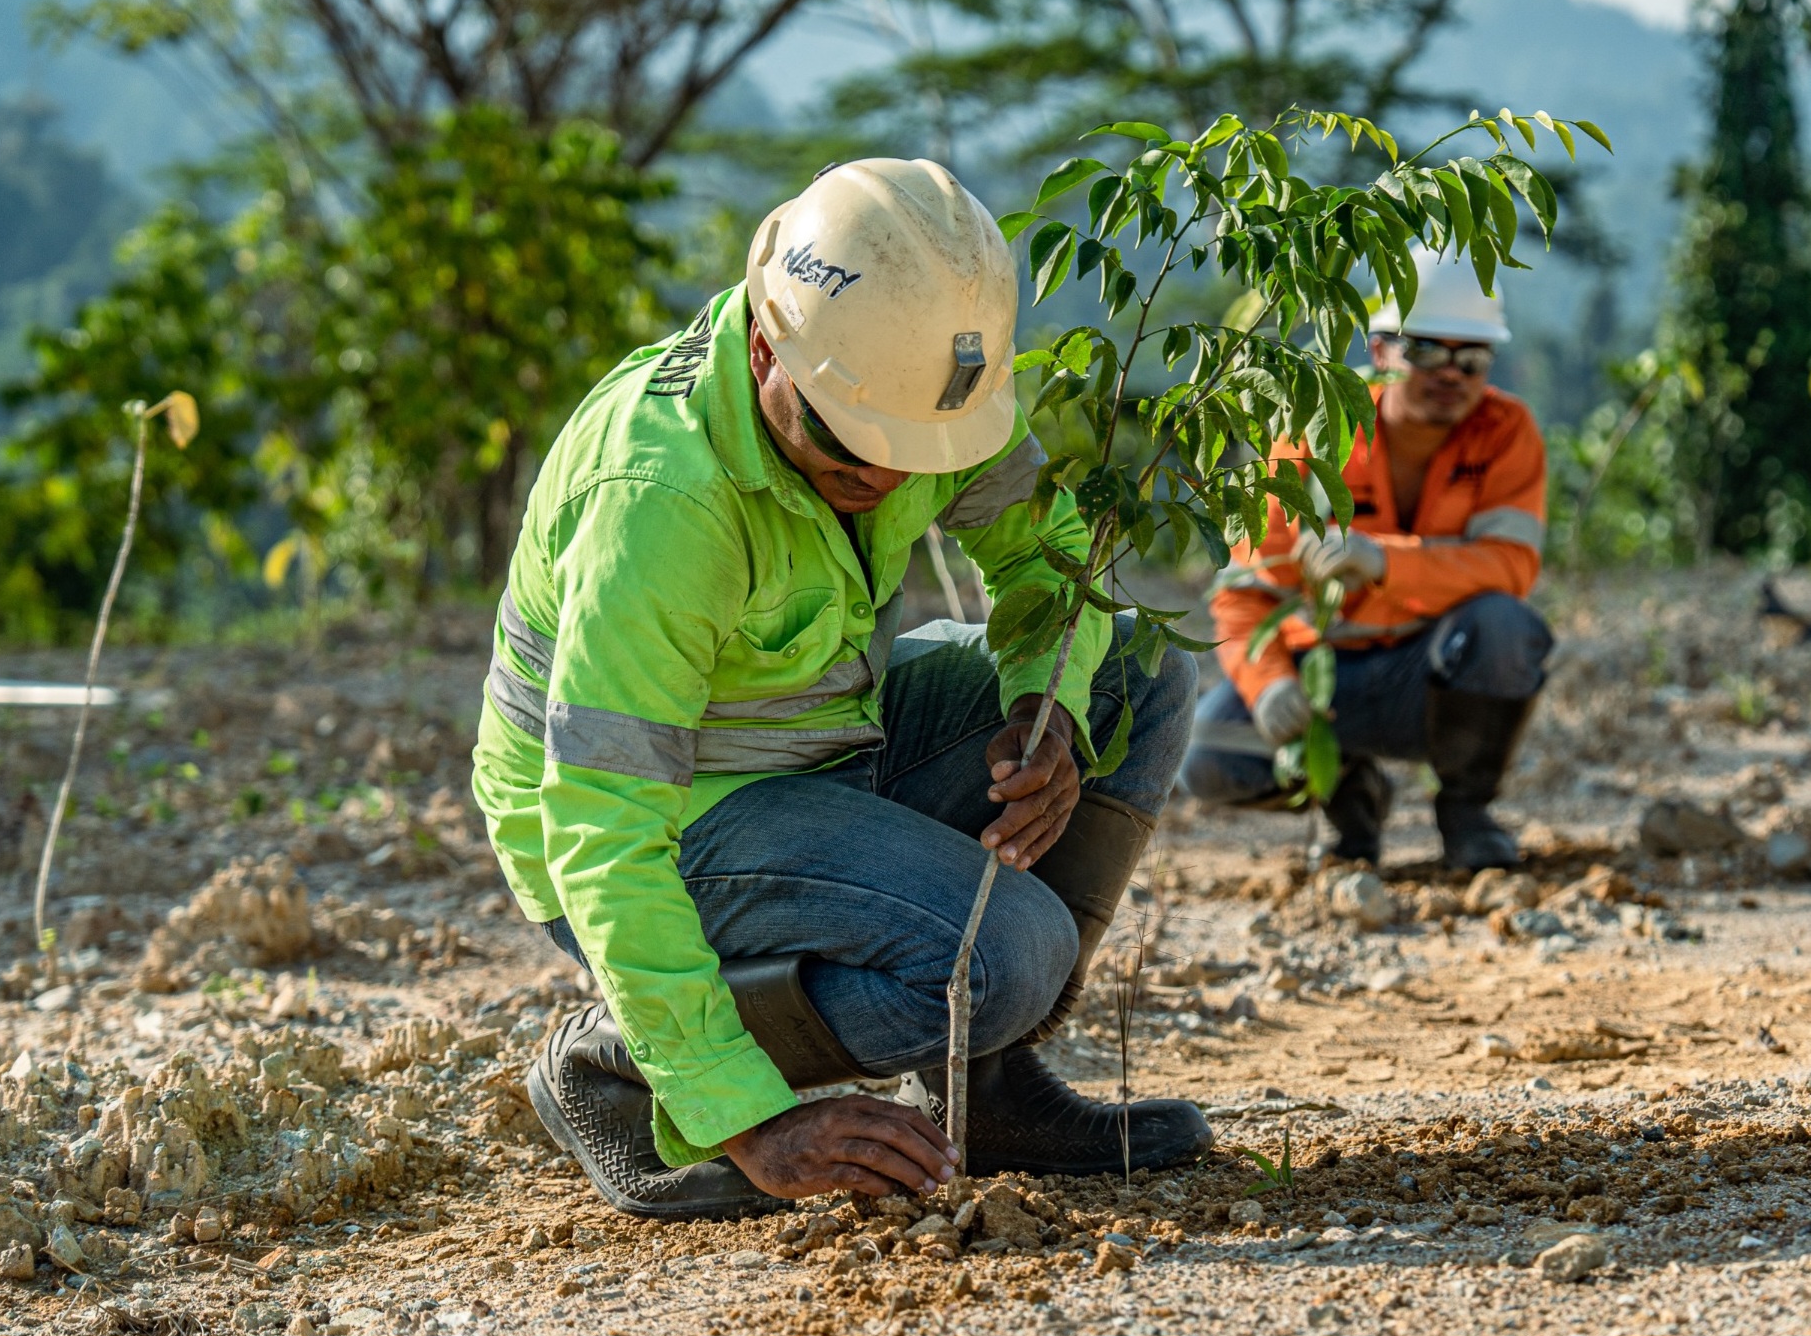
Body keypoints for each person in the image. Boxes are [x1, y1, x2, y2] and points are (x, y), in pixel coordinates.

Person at [471, 159, 1209, 1222]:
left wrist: (1041, 708)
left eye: (920, 455)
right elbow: (600, 821)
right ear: (768, 350)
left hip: (821, 743)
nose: (894, 479)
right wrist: (746, 1117)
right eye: (861, 454)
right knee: (1009, 952)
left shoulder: (908, 383)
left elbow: (1051, 559)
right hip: (666, 818)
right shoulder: (662, 499)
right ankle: (626, 1065)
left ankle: (980, 1085)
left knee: (1134, 674)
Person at [1179, 246, 1553, 870]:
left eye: (1472, 358)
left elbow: (1509, 567)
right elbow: (1244, 594)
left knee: (1508, 630)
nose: (1451, 373)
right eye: (1427, 350)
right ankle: (1352, 801)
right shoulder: (1313, 431)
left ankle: (1466, 814)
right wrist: (1270, 686)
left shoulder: (1506, 432)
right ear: (1381, 352)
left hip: (1429, 680)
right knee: (1207, 760)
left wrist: (1388, 561)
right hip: (1322, 678)